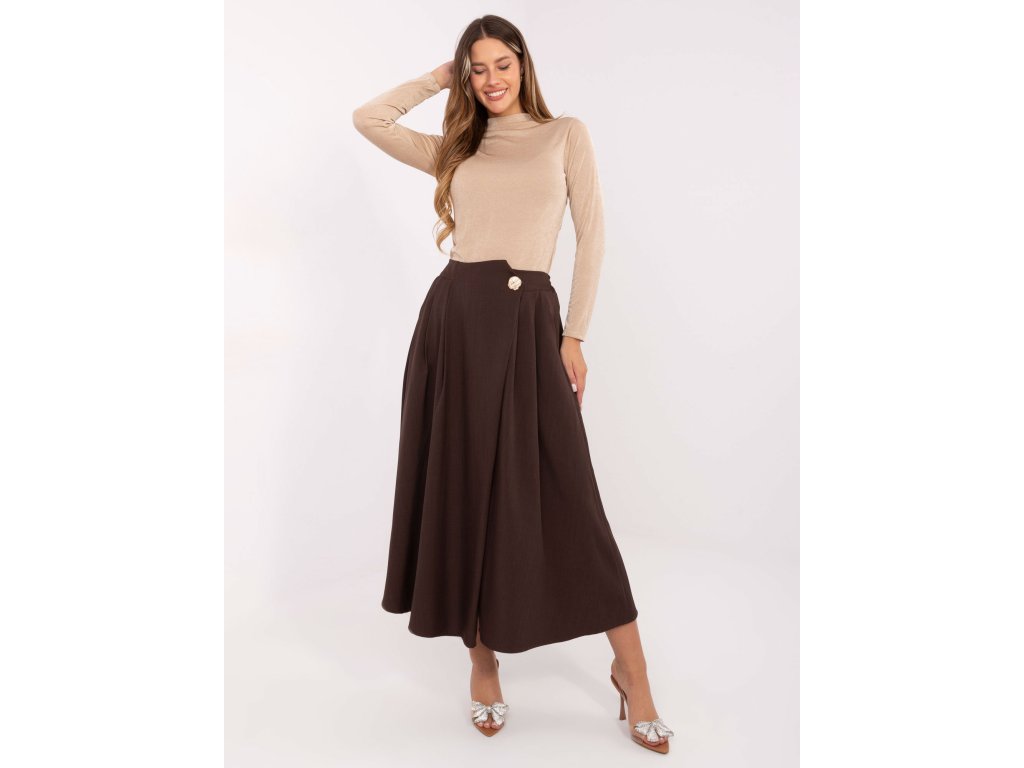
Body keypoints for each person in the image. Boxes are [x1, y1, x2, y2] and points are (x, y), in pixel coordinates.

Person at [352, 15, 675, 754]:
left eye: (502, 64)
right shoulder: (457, 148)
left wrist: (575, 334)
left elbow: (592, 234)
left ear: (524, 65)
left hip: (531, 329)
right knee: (464, 490)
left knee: (569, 496)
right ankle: (483, 663)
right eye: (477, 68)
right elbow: (368, 119)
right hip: (456, 328)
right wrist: (438, 77)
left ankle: (633, 672)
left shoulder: (565, 135)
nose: (491, 79)